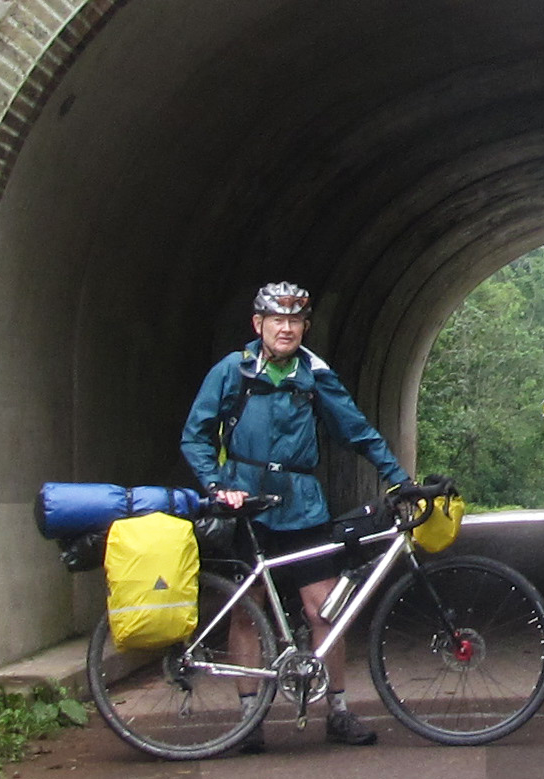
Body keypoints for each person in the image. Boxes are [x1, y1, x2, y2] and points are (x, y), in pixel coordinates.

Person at [181, 281, 411, 751]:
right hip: (246, 502)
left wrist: (397, 477)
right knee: (250, 612)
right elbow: (195, 435)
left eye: (294, 321)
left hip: (302, 503)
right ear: (258, 324)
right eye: (276, 320)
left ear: (304, 327)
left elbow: (357, 431)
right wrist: (216, 485)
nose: (285, 329)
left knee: (325, 608)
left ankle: (339, 712)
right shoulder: (233, 370)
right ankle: (249, 722)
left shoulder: (314, 375)